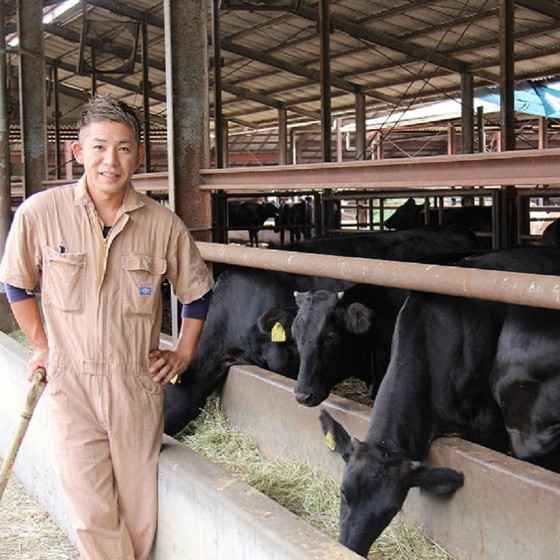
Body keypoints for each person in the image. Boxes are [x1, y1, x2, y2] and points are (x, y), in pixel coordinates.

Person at [0, 95, 214, 559]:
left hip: (135, 385)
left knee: (138, 512)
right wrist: (41, 346)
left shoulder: (163, 225)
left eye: (122, 148)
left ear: (138, 155)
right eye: (98, 147)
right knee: (90, 509)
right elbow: (17, 285)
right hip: (70, 381)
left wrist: (183, 352)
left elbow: (197, 293)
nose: (110, 160)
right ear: (78, 152)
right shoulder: (40, 212)